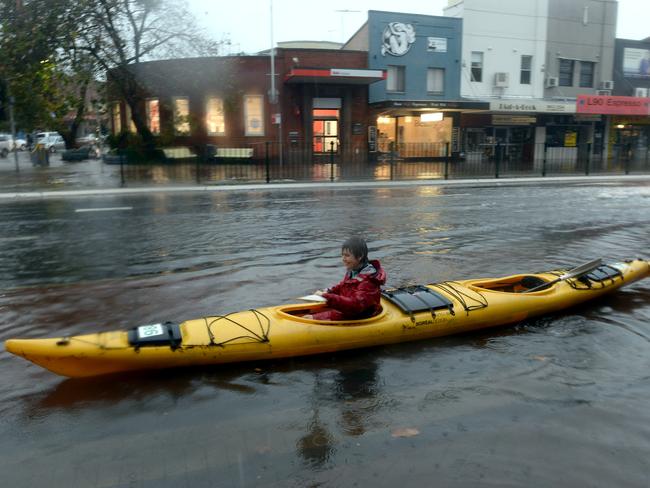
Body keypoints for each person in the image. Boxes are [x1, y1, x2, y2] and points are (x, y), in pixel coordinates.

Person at [306, 236, 386, 321]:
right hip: (350, 312)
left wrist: (327, 298)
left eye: (347, 255)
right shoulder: (353, 271)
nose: (343, 259)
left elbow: (355, 306)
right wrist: (327, 291)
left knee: (312, 317)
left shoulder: (369, 282)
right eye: (342, 255)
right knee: (313, 312)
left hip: (359, 316)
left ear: (360, 256)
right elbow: (342, 286)